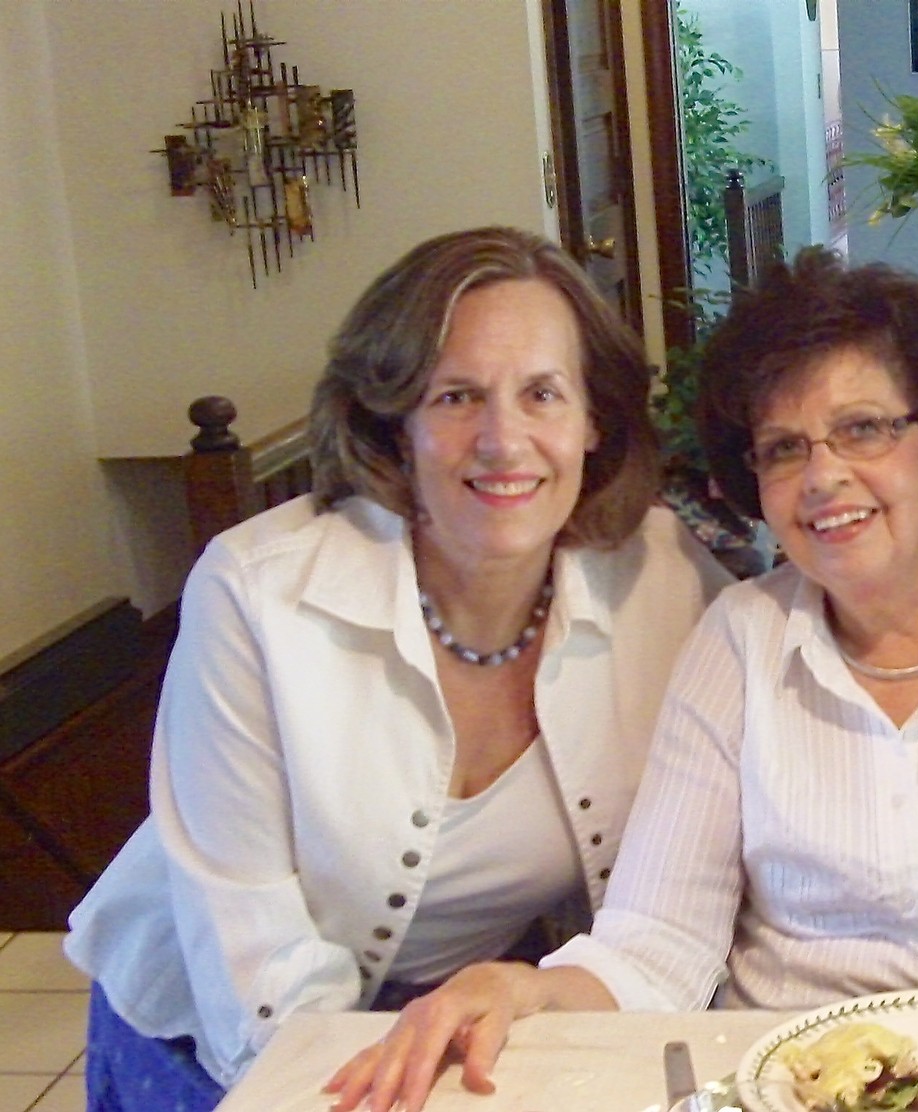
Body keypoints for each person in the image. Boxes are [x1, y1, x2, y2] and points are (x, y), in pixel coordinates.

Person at [328, 247, 918, 1112]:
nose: (823, 478)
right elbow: (657, 941)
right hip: (781, 1089)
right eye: (784, 448)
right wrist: (524, 989)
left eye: (863, 429)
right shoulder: (738, 641)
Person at [64, 226, 731, 1109]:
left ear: (592, 421)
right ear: (395, 422)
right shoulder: (258, 595)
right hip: (211, 1022)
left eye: (542, 394)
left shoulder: (663, 575)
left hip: (464, 1012)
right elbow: (248, 951)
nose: (504, 440)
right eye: (456, 396)